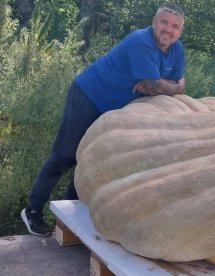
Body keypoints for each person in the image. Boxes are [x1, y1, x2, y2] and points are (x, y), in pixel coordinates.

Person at [21, 3, 186, 237]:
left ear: (180, 31)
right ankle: (33, 210)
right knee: (64, 156)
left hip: (114, 108)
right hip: (89, 94)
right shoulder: (140, 41)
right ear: (154, 21)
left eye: (175, 26)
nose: (168, 29)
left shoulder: (177, 50)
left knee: (91, 160)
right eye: (164, 22)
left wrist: (165, 85)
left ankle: (69, 218)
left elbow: (179, 86)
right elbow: (156, 85)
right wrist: (159, 85)